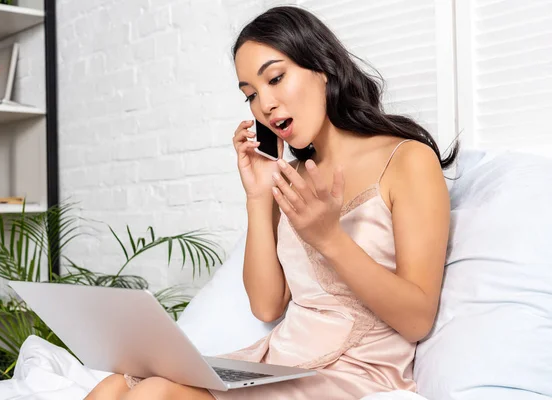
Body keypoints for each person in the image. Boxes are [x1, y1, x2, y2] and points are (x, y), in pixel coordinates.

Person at [86, 5, 457, 400]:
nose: (265, 104)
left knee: (155, 394)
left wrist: (330, 239)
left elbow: (417, 319)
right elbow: (266, 306)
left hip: (353, 372)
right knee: (116, 383)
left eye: (276, 78)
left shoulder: (408, 159)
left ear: (323, 66)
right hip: (278, 364)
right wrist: (258, 196)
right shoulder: (291, 175)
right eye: (251, 95)